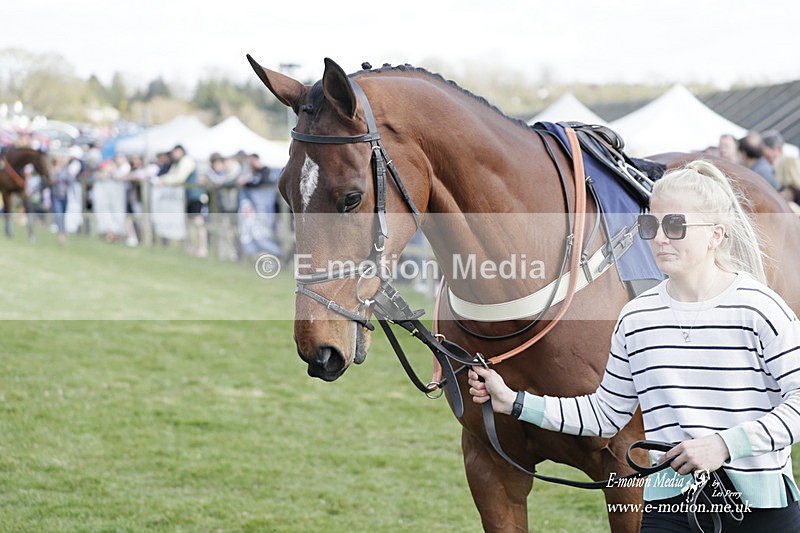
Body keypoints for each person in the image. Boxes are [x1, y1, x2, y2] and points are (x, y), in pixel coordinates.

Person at [468, 160, 800, 531]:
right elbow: (605, 414)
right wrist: (513, 402)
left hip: (760, 512)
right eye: (650, 225)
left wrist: (725, 445)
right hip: (667, 510)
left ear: (716, 234)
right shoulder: (636, 317)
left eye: (675, 225)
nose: (659, 237)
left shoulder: (761, 309)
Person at [50, 151, 81, 244]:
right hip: (55, 196)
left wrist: (74, 193)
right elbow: (50, 181)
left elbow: (70, 180)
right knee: (59, 215)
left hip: (64, 195)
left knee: (63, 215)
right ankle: (61, 235)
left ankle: (62, 232)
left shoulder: (65, 169)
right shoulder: (52, 170)